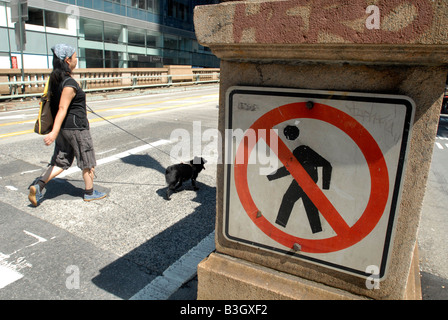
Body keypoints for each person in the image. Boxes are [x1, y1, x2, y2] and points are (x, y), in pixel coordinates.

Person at [28, 44, 106, 207]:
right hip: (76, 128)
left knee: (60, 161)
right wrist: (53, 133)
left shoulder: (55, 80)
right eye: (75, 57)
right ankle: (90, 193)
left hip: (65, 128)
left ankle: (39, 185)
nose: (77, 60)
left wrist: (57, 130)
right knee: (87, 159)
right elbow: (63, 108)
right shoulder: (69, 83)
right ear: (67, 60)